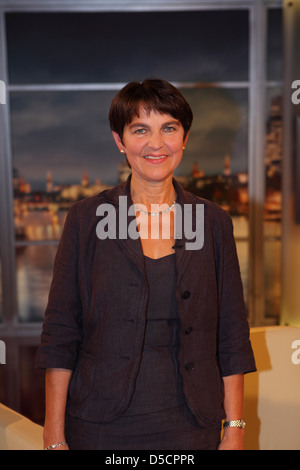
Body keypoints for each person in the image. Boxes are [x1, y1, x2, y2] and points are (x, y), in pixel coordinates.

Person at [37, 79, 256, 451]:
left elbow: (232, 333)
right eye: (141, 130)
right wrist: (54, 434)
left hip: (192, 420)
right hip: (100, 421)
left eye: (168, 128)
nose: (156, 144)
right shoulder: (87, 218)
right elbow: (60, 331)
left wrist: (234, 427)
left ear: (184, 138)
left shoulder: (212, 221)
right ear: (120, 141)